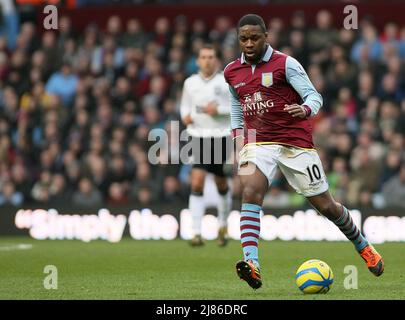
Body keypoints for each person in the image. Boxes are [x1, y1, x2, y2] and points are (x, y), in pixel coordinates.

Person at [224, 14, 384, 289]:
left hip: (295, 144)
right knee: (250, 189)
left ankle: (362, 243)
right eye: (243, 38)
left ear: (266, 36)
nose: (248, 43)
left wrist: (305, 109)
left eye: (254, 38)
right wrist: (238, 139)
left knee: (327, 207)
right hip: (258, 143)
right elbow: (237, 108)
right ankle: (252, 263)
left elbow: (314, 96)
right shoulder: (231, 72)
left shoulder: (286, 64)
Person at [180, 44, 232, 247]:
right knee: (197, 181)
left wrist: (218, 109)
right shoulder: (190, 83)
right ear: (198, 61)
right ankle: (196, 232)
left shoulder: (225, 82)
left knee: (220, 182)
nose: (207, 60)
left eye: (211, 56)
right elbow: (185, 104)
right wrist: (184, 115)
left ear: (216, 60)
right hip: (197, 136)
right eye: (203, 57)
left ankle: (223, 224)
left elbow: (238, 107)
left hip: (220, 137)